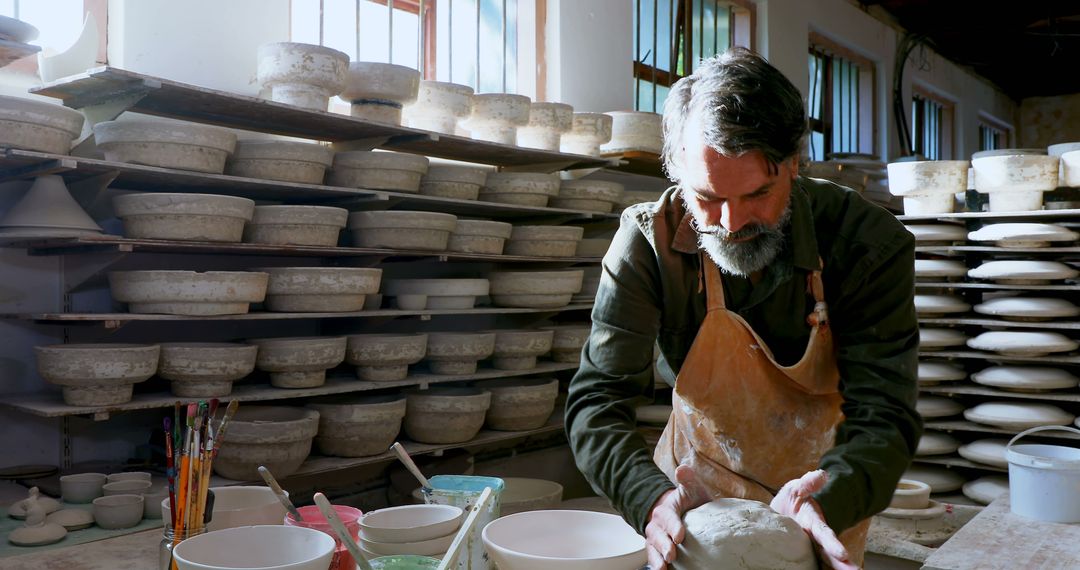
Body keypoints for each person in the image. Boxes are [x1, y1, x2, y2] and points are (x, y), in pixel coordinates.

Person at [564, 47, 921, 569]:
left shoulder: (866, 244)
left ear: (794, 165)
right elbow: (596, 401)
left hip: (819, 500)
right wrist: (649, 497)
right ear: (677, 171)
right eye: (707, 196)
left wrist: (835, 495)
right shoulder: (648, 244)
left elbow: (885, 416)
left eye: (757, 194)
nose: (731, 223)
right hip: (692, 502)